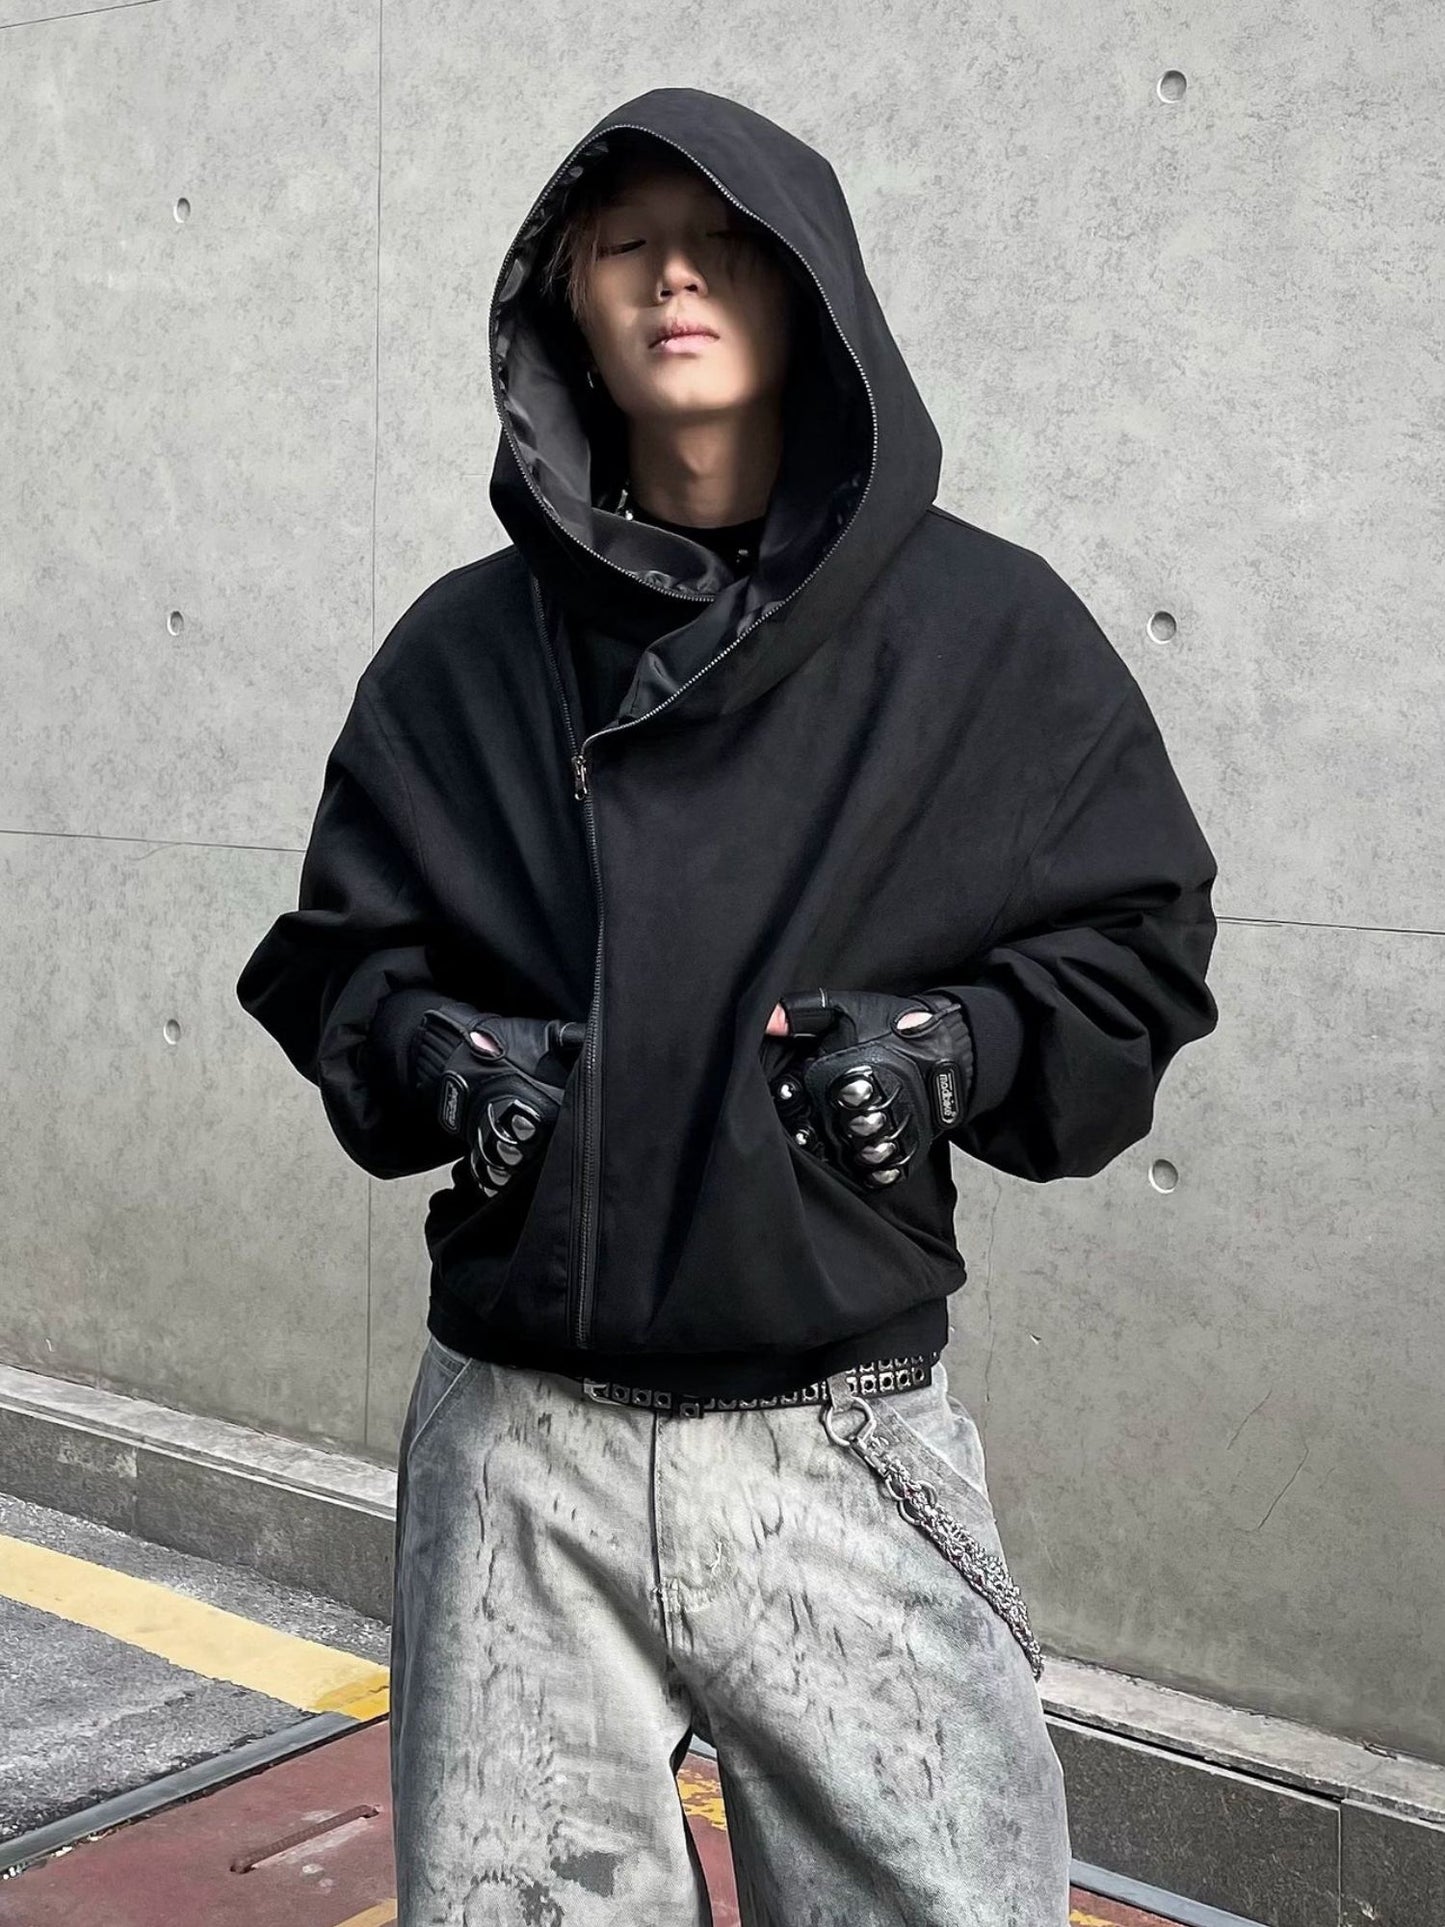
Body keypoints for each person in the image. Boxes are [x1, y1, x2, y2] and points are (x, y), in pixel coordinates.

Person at [236, 85, 1218, 1927]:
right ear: (565, 307)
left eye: (723, 243)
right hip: (518, 1451)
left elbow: (1136, 946)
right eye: (624, 245)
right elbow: (335, 959)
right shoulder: (460, 649)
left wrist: (953, 1053)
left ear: (806, 289)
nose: (673, 278)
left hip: (837, 1430)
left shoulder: (987, 633)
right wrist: (446, 1061)